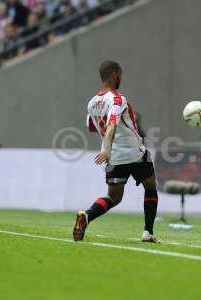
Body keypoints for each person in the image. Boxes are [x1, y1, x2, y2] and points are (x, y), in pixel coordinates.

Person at [73, 60, 159, 243]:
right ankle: (147, 232)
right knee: (150, 185)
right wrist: (106, 147)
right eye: (120, 74)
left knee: (113, 197)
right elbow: (112, 124)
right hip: (134, 152)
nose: (121, 78)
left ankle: (87, 216)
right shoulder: (117, 99)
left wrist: (108, 149)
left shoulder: (92, 103)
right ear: (114, 75)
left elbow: (92, 126)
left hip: (114, 158)